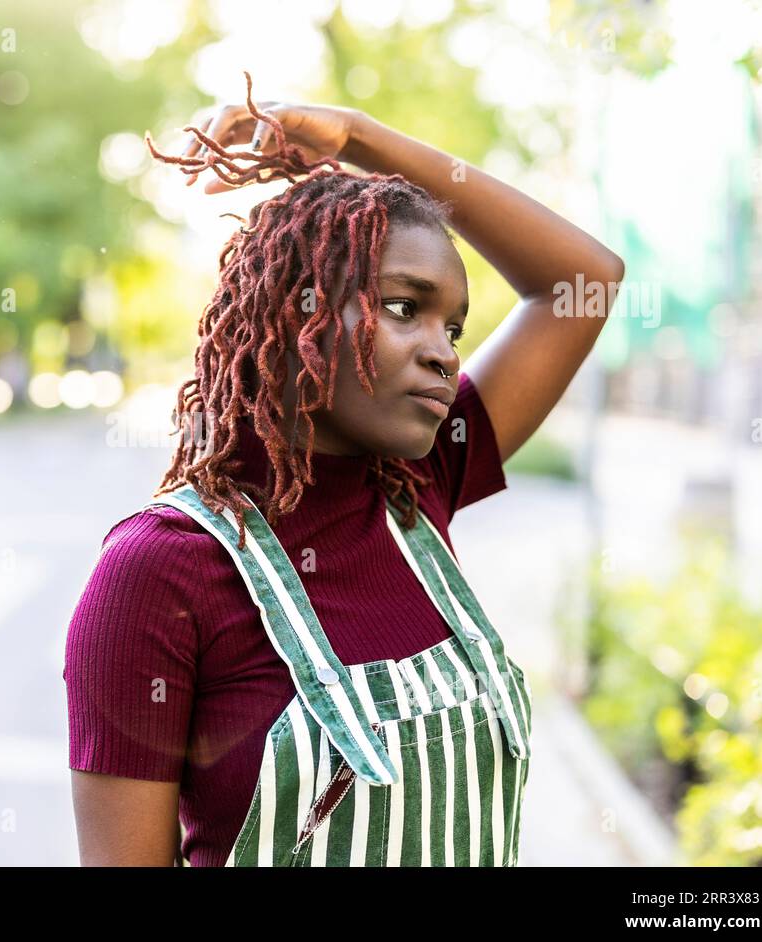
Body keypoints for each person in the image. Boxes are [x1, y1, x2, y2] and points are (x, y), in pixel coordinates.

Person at [64, 72, 624, 867]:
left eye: (455, 325)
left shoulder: (420, 490)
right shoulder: (158, 576)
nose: (443, 350)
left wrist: (362, 139)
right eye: (405, 306)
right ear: (300, 311)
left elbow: (582, 283)